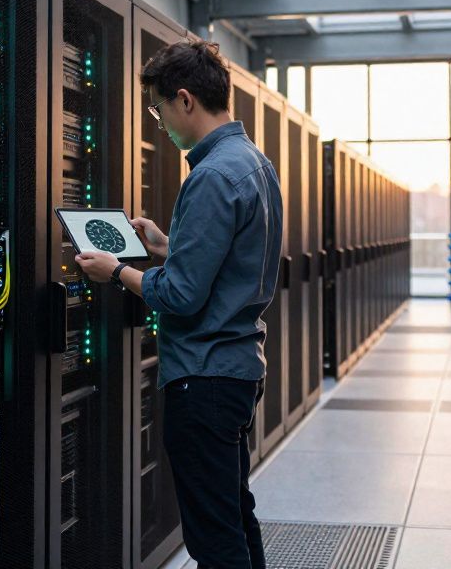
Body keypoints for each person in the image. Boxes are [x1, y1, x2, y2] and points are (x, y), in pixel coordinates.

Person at [75, 39, 280, 569]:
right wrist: (168, 244)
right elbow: (231, 257)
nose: (159, 122)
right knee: (234, 514)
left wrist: (116, 271)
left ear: (185, 100)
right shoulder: (253, 163)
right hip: (237, 369)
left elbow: (181, 296)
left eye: (159, 109)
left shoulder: (210, 175)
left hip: (203, 377)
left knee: (213, 538)